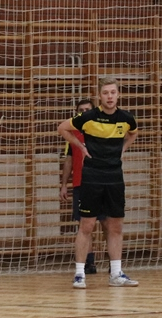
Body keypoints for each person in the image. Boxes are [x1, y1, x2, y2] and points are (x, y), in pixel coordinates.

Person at [57, 77, 139, 289]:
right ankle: (79, 274)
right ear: (100, 96)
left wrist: (122, 149)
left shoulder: (126, 118)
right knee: (87, 225)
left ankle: (116, 274)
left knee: (115, 226)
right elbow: (62, 128)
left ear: (118, 94)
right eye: (105, 93)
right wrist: (80, 146)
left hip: (114, 177)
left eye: (113, 92)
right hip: (92, 176)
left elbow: (133, 133)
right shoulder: (88, 117)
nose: (109, 96)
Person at [59, 98, 104, 274]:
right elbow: (69, 160)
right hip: (81, 184)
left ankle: (114, 265)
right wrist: (64, 185)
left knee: (108, 223)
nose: (84, 113)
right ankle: (89, 263)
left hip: (102, 182)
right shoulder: (71, 133)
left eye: (88, 110)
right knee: (85, 225)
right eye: (81, 110)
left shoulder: (102, 129)